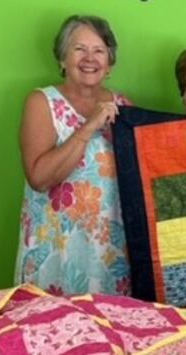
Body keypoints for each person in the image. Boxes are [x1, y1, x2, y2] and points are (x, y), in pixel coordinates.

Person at [14, 15, 131, 296]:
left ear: (110, 63)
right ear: (62, 59)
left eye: (99, 50)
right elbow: (39, 178)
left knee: (108, 330)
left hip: (110, 250)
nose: (89, 58)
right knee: (50, 330)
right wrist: (90, 126)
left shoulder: (124, 106)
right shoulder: (42, 102)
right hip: (56, 247)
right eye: (79, 49)